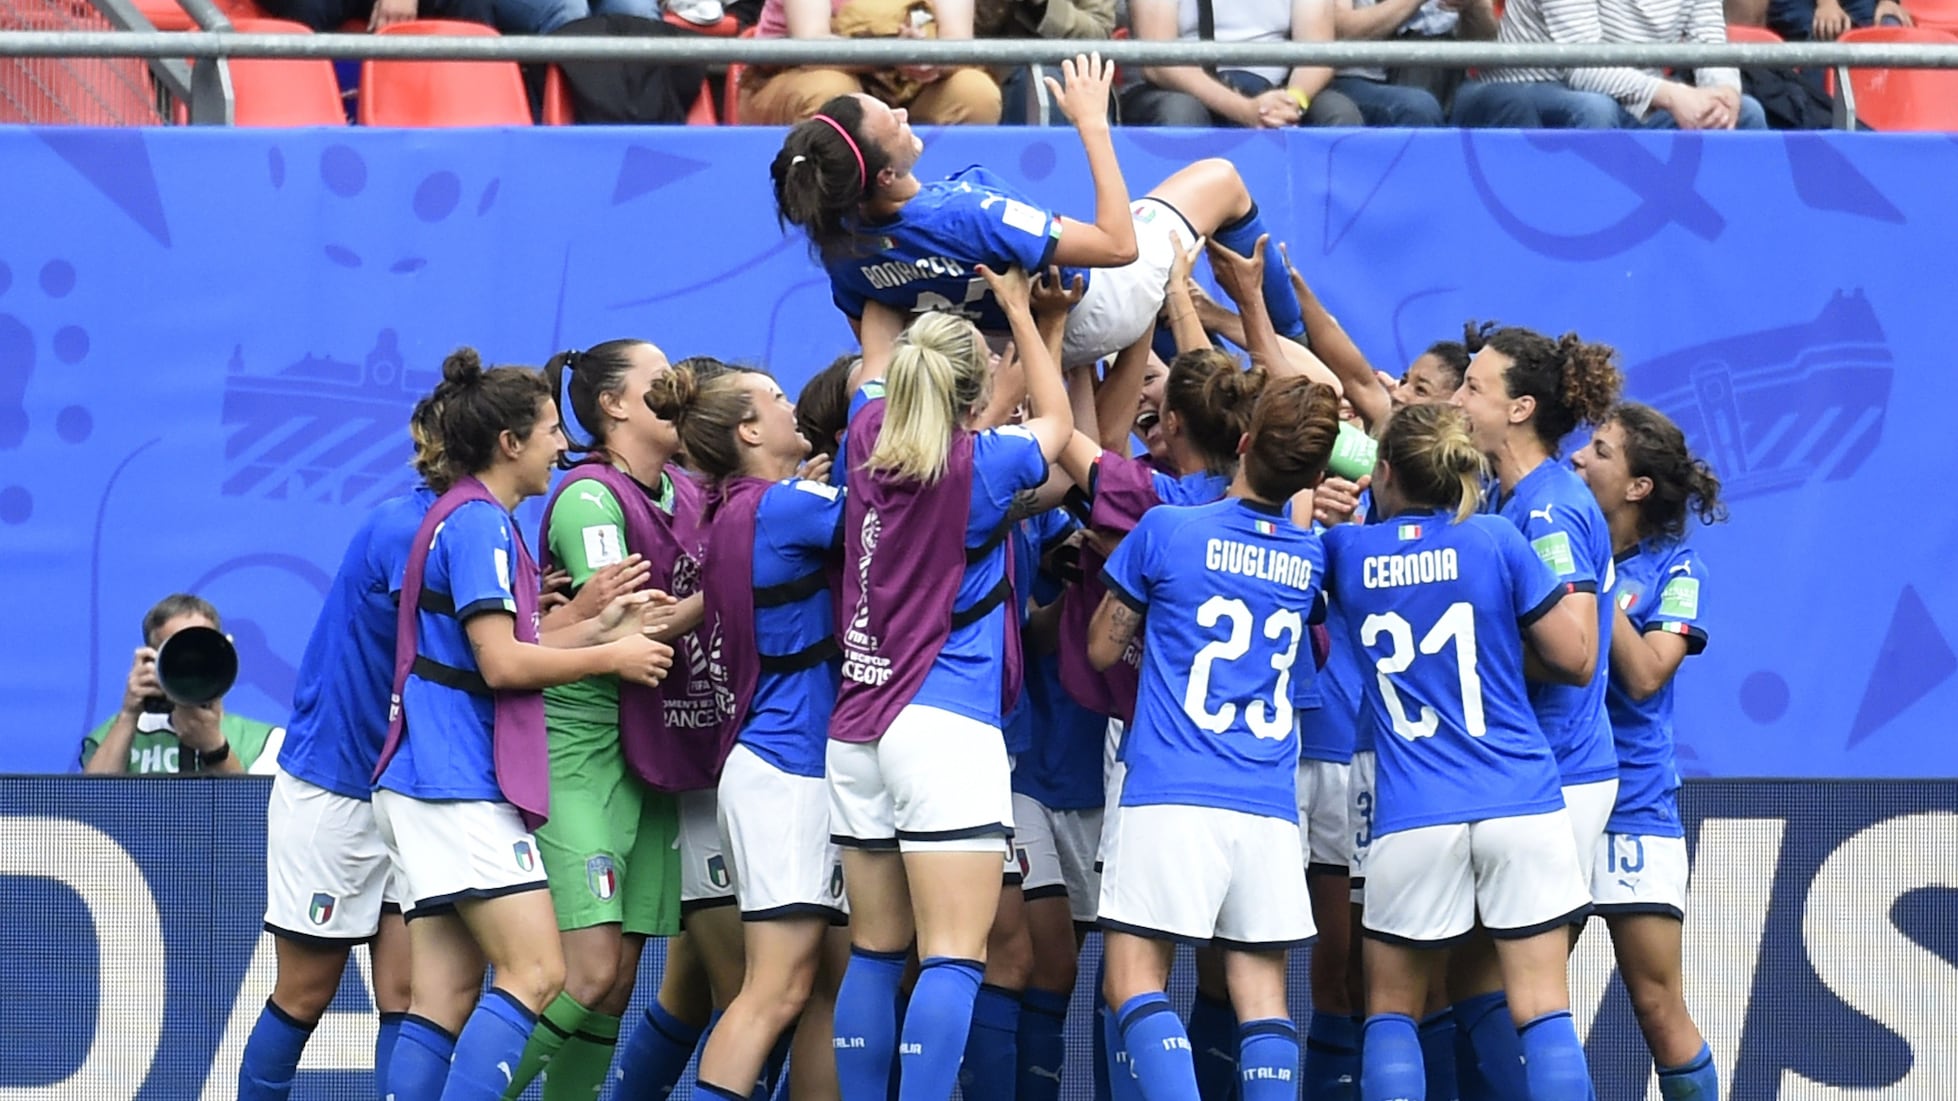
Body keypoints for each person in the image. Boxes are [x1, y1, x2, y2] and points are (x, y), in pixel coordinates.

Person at [370, 350, 674, 1101]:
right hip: (455, 782)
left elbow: (505, 647)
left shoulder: (466, 515)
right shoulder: (480, 524)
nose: (562, 446)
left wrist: (596, 624)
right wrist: (611, 653)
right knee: (539, 971)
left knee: (443, 997)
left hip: (422, 778)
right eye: (548, 431)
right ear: (510, 443)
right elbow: (503, 664)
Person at [826, 265, 1073, 1101]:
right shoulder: (984, 465)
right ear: (977, 392)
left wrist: (876, 262)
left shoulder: (864, 432)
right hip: (944, 725)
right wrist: (1022, 312)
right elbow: (1060, 423)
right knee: (955, 956)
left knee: (874, 951)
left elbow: (874, 349)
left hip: (857, 725)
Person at [1320, 402, 1598, 1101]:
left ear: (1384, 470)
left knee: (1392, 1011)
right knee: (1543, 1009)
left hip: (1415, 811)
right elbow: (1574, 657)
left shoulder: (1345, 551)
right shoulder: (1496, 537)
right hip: (1520, 798)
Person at [1086, 375, 1341, 1101]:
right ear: (1314, 478)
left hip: (1170, 786)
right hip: (1267, 801)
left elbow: (1101, 649)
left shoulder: (1168, 530)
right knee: (1263, 997)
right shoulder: (1311, 558)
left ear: (1244, 441)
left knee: (1134, 982)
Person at [769, 54, 1312, 372]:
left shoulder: (840, 248)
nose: (904, 111)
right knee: (1221, 179)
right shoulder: (964, 213)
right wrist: (1093, 124)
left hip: (1015, 350)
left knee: (1161, 309)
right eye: (892, 121)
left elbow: (885, 351)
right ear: (885, 175)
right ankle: (1294, 340)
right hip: (1090, 306)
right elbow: (1117, 246)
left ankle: (1203, 359)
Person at [644, 361, 854, 1101]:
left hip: (792, 765)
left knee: (830, 988)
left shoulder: (740, 508)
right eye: (776, 399)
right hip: (786, 768)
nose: (791, 406)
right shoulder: (784, 508)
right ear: (749, 431)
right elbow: (903, 519)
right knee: (773, 991)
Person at [235, 397, 444, 1101]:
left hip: (412, 794)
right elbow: (480, 649)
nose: (558, 443)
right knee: (306, 990)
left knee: (409, 993)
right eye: (544, 428)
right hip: (337, 787)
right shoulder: (403, 528)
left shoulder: (486, 528)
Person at [1448, 325, 1620, 1099]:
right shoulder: (1509, 498)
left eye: (1473, 387)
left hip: (1560, 773)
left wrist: (1465, 648)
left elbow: (1576, 651)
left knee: (1507, 985)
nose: (1458, 399)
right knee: (1476, 982)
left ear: (1520, 408)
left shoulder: (1550, 511)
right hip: (1526, 771)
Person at [1572, 402, 1726, 1101]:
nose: (1579, 458)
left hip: (1634, 805)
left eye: (1601, 451)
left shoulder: (1676, 568)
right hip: (1557, 799)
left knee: (1657, 1006)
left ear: (1638, 486)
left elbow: (1644, 676)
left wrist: (1592, 576)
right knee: (1526, 1004)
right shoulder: (1544, 539)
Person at [1450, 0, 1767, 128]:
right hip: (1527, 87)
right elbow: (1583, 65)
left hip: (1633, 98)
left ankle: (1736, 246)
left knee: (1744, 114)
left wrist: (1725, 94)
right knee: (1594, 108)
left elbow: (1710, 43)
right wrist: (1673, 96)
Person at [82, 594, 284, 776]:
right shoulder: (116, 734)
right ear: (150, 661)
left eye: (203, 653)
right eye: (176, 654)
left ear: (222, 657)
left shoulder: (264, 742)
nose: (191, 665)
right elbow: (92, 800)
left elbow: (256, 806)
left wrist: (215, 749)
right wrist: (128, 715)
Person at [739, 0, 1003, 126]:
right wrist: (891, 55)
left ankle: (954, 203)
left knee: (975, 93)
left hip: (910, 85)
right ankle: (824, 207)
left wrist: (929, 60)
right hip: (798, 74)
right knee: (834, 94)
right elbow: (812, 46)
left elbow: (958, 44)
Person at [1122, 0, 1366, 127]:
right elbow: (1159, 61)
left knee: (1338, 112)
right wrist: (1244, 109)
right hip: (1183, 88)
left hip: (1277, 88)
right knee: (1180, 113)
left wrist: (1292, 101)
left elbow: (1317, 53)